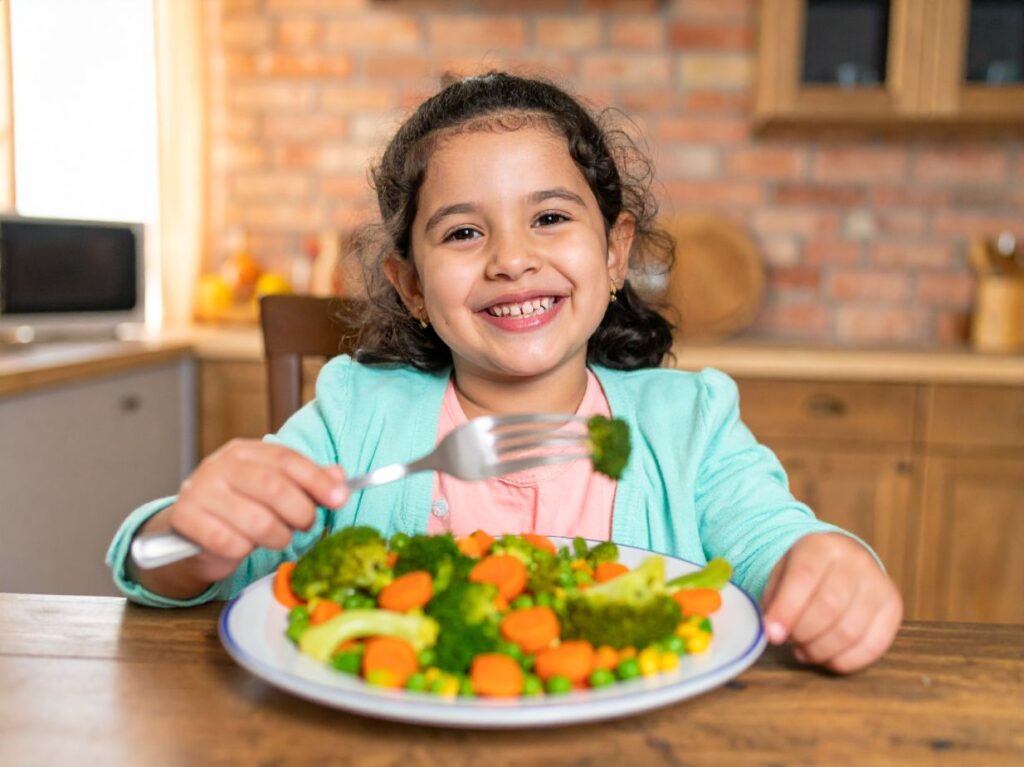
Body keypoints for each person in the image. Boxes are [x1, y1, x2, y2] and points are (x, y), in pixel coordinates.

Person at [108, 72, 901, 673]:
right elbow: (157, 568)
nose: (512, 259)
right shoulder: (354, 416)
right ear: (411, 285)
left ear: (615, 252)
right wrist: (188, 538)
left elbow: (775, 540)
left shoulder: (688, 422)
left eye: (549, 218)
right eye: (462, 233)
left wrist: (828, 565)